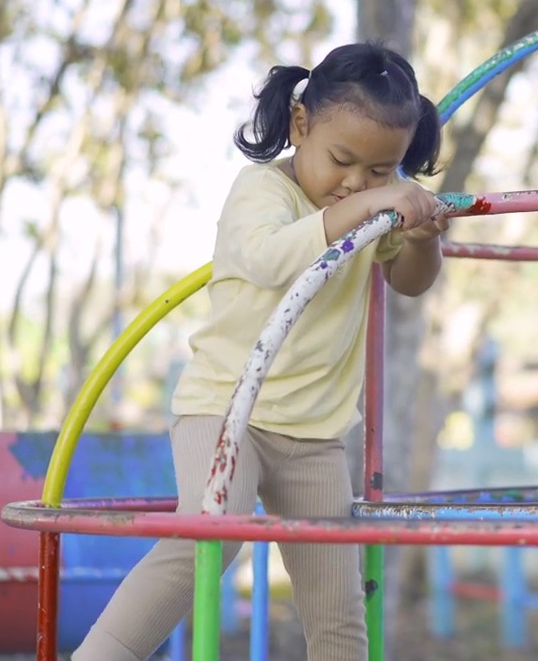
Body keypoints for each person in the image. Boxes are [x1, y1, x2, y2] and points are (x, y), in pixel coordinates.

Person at [73, 41, 449, 661]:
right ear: (301, 125)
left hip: (314, 434)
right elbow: (270, 259)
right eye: (342, 159)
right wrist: (372, 201)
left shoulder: (370, 209)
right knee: (211, 535)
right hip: (225, 412)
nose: (357, 181)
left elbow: (410, 282)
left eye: (381, 171)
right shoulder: (262, 191)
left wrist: (424, 240)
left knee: (337, 600)